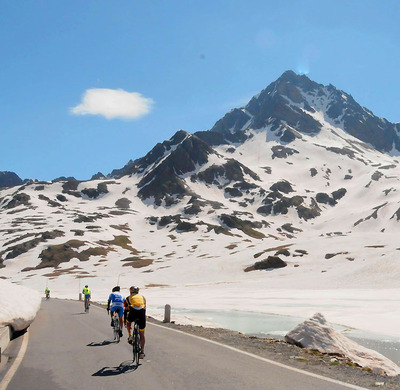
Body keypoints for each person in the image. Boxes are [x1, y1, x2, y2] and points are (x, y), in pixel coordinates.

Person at [124, 286, 146, 358]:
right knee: (142, 334)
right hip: (142, 313)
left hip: (133, 312)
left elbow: (126, 308)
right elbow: (144, 306)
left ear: (130, 291)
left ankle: (130, 336)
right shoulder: (143, 297)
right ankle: (142, 352)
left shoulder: (128, 298)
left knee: (128, 322)